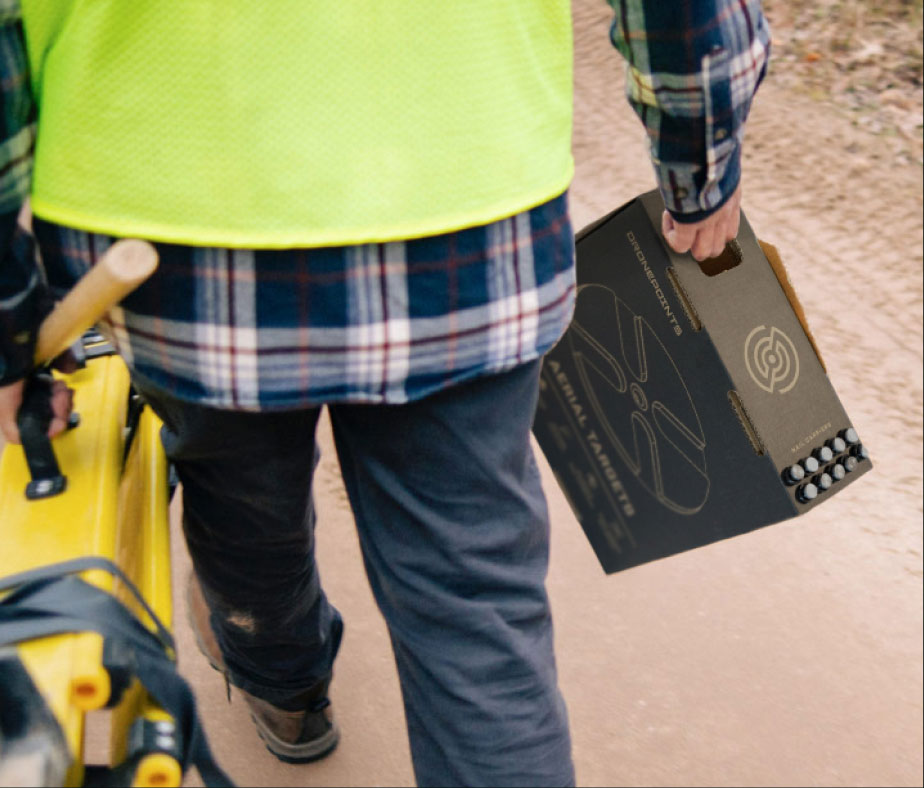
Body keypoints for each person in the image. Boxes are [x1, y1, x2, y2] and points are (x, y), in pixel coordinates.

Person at [0, 1, 769, 785]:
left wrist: (7, 311)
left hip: (170, 228)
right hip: (468, 202)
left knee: (240, 509)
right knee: (474, 606)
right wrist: (699, 164)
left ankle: (284, 684)